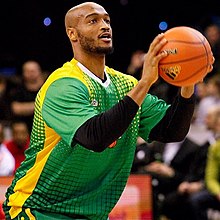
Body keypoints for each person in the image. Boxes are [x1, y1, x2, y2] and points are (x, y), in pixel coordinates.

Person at [2, 2, 213, 220]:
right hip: (39, 209)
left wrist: (189, 82)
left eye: (107, 20)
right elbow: (95, 137)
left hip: (92, 214)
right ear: (72, 34)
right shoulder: (63, 84)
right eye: (93, 21)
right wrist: (145, 82)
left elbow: (171, 130)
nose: (104, 26)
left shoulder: (126, 85)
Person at [159, 104, 220, 220]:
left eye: (209, 117)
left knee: (193, 200)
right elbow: (209, 176)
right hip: (209, 186)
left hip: (204, 186)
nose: (205, 120)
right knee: (172, 200)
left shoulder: (201, 145)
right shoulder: (211, 146)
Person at [10, 60, 45, 134]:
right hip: (23, 131)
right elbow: (16, 109)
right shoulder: (17, 89)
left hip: (44, 128)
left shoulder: (47, 88)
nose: (31, 74)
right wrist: (41, 105)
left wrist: (26, 107)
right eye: (28, 71)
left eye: (33, 71)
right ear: (23, 73)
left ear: (40, 71)